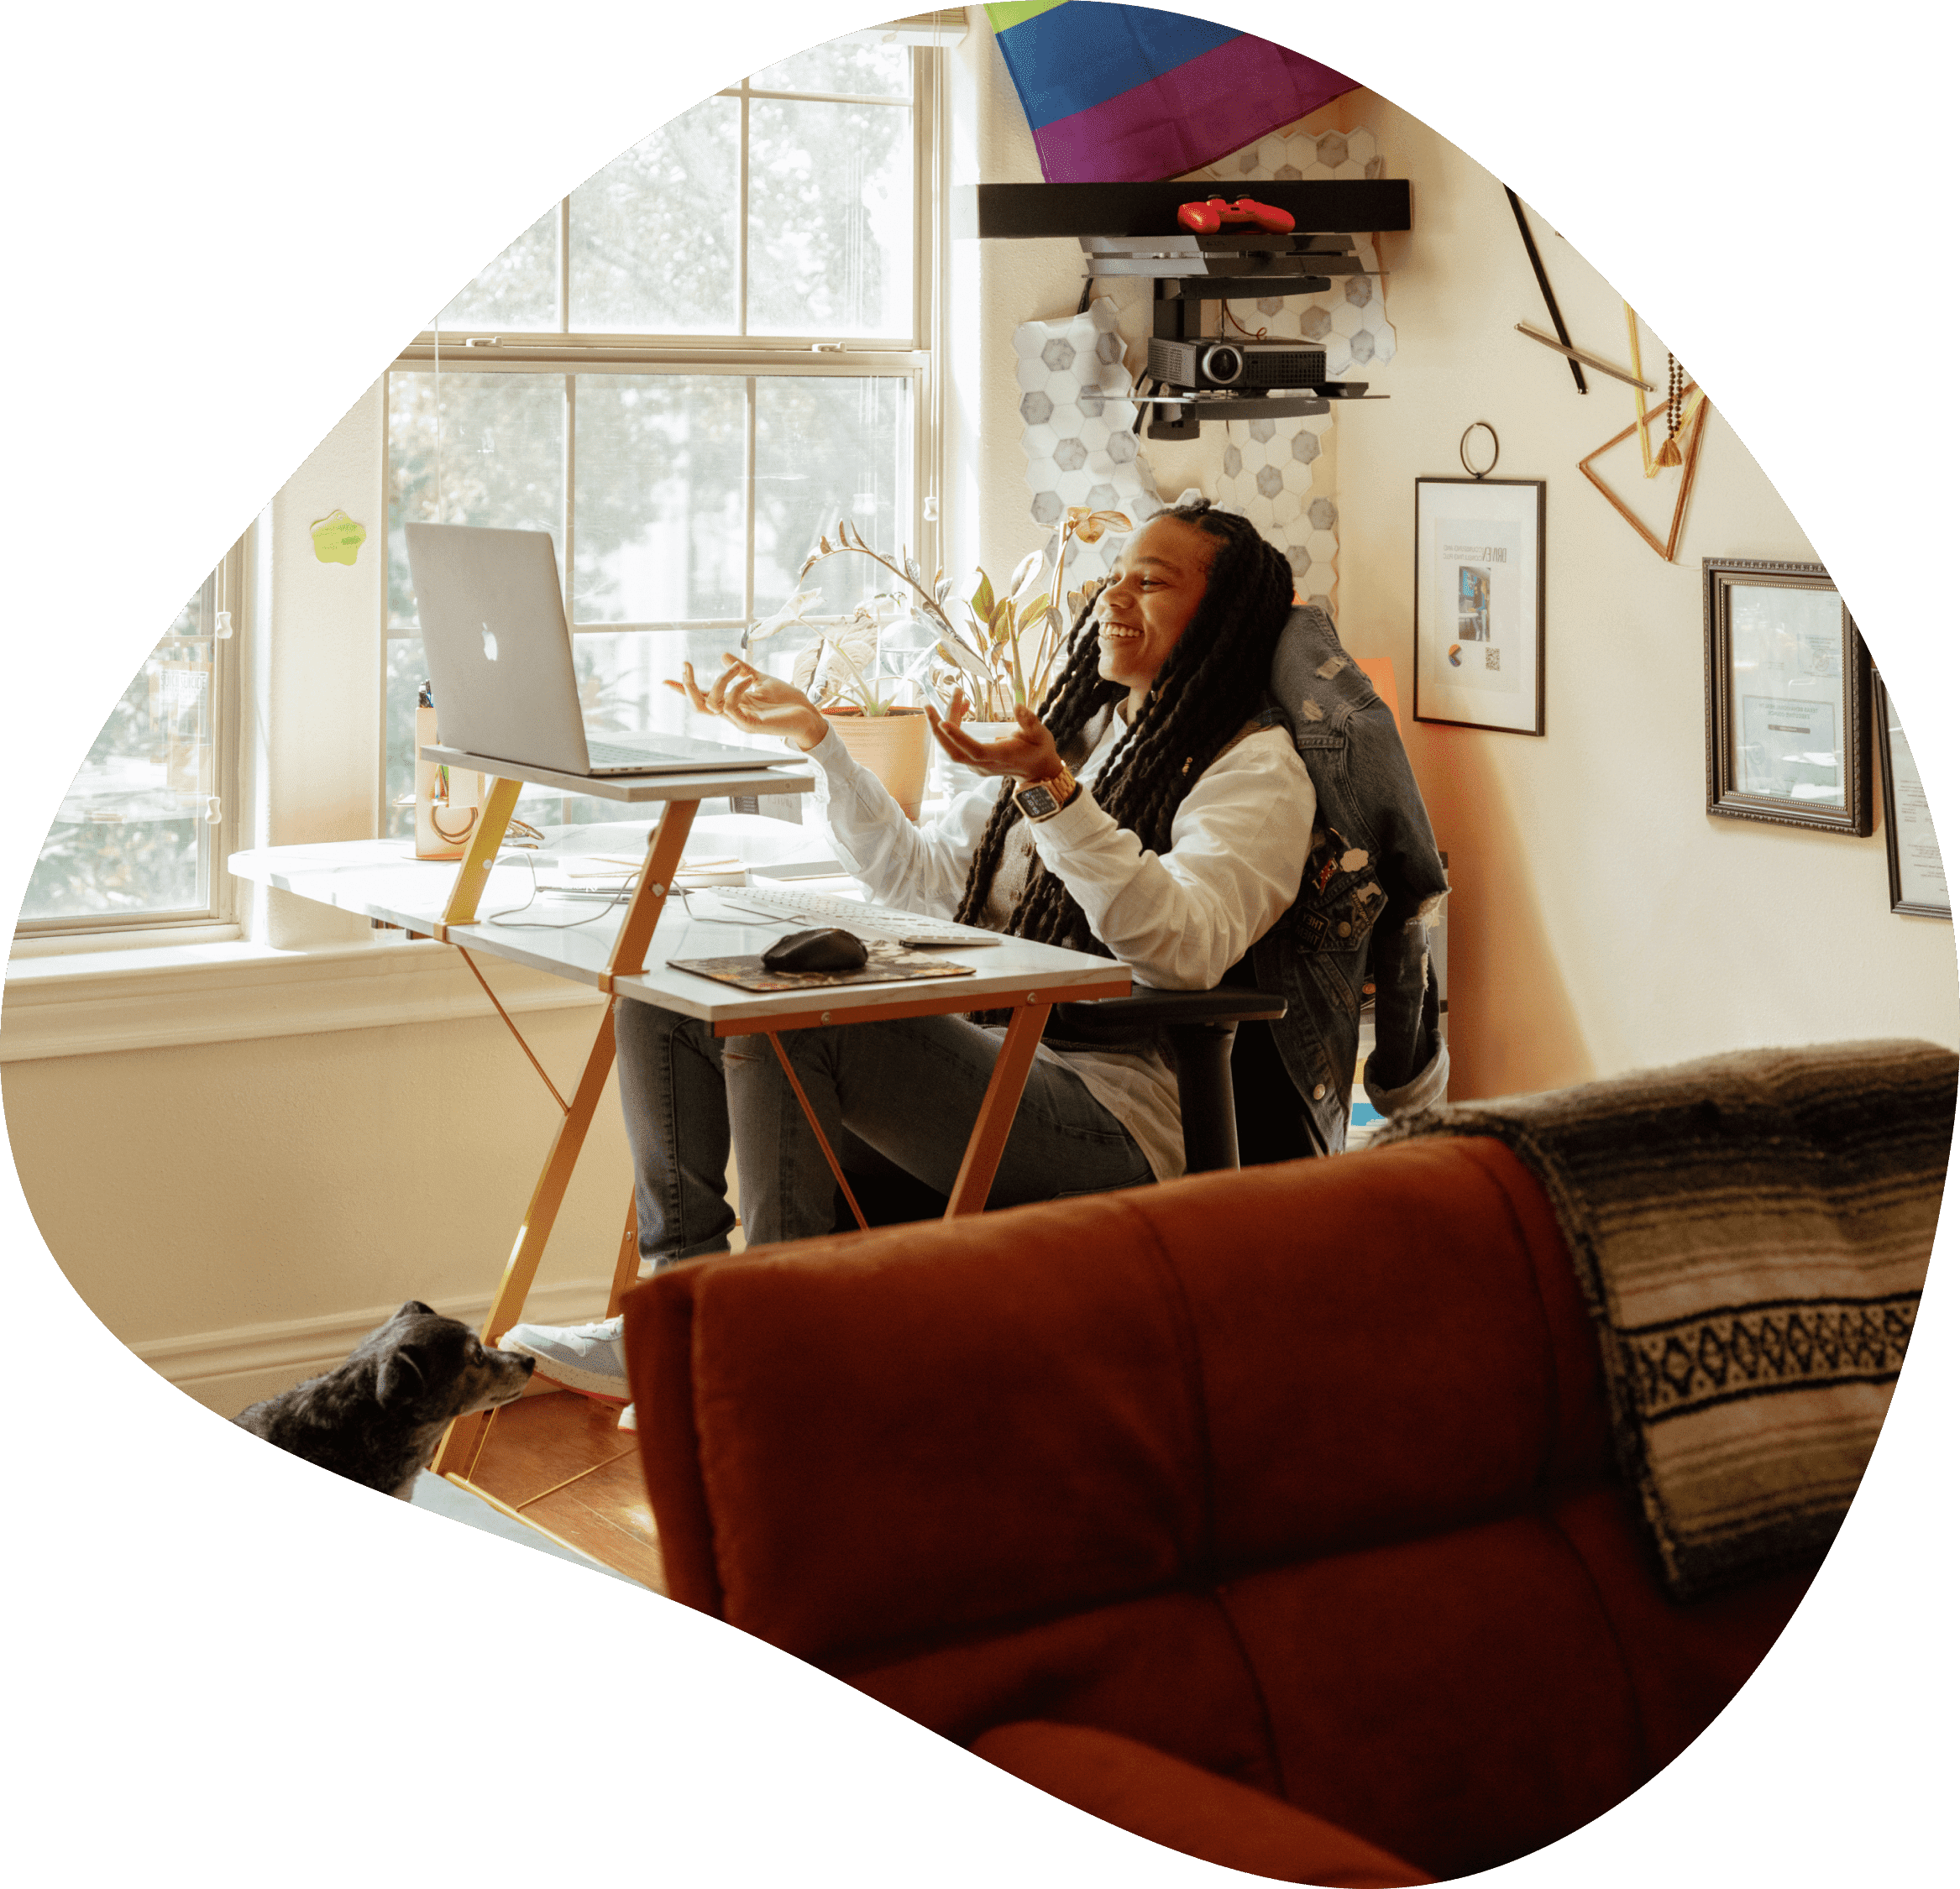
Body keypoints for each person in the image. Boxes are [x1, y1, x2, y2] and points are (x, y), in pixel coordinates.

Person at [500, 501, 1316, 1399]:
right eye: (1116, 571)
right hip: (992, 1061)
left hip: (1107, 1116)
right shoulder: (1081, 728)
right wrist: (822, 745)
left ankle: (776, 1348)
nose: (1115, 593)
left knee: (795, 1019)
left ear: (1225, 613)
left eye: (1152, 580)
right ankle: (684, 1314)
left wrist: (1050, 790)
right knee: (665, 983)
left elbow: (1187, 949)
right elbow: (929, 882)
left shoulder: (1257, 769)